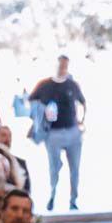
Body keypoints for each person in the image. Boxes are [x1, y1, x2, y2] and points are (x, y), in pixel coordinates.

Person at [30, 55, 87, 211]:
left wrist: (81, 121)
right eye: (60, 65)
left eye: (65, 66)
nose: (62, 68)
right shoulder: (44, 85)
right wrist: (42, 114)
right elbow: (31, 103)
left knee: (75, 168)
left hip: (72, 131)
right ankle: (52, 195)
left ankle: (73, 200)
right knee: (54, 167)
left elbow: (83, 103)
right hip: (53, 133)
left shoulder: (72, 85)